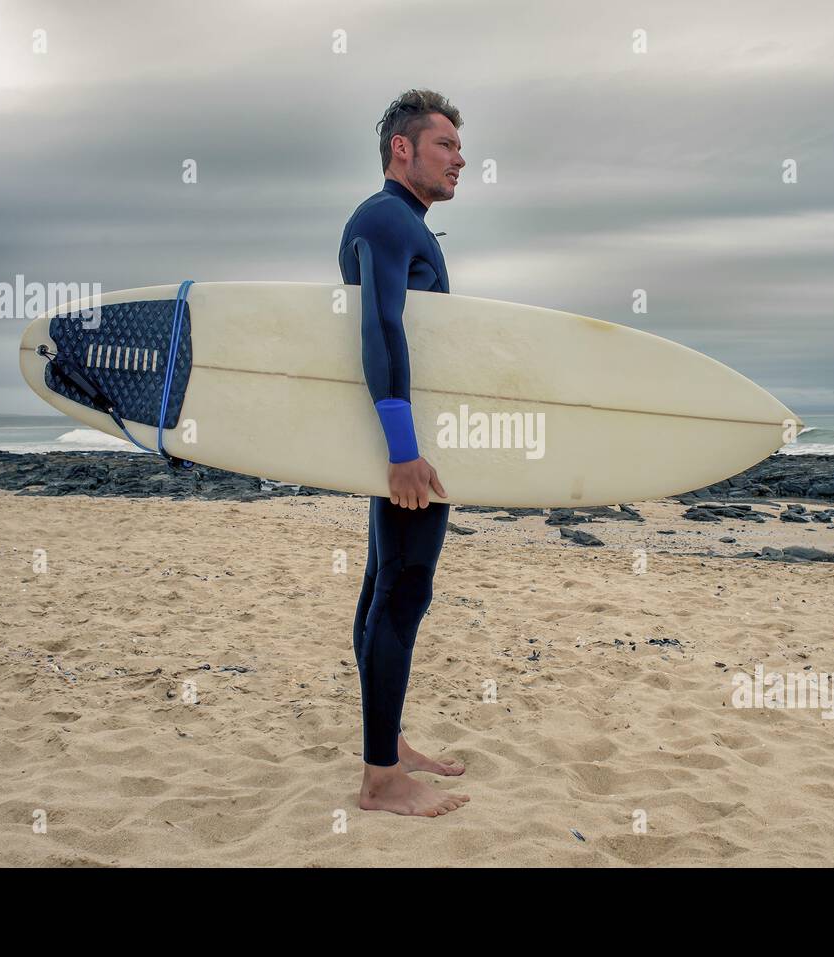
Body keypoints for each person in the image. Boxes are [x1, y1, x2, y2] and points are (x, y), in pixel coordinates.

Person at [337, 89, 471, 817]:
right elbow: (381, 328)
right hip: (406, 444)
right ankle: (382, 778)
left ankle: (386, 746)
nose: (460, 159)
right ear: (402, 148)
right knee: (402, 591)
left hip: (401, 435)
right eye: (446, 145)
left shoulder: (395, 224)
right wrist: (403, 450)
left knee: (382, 585)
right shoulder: (388, 219)